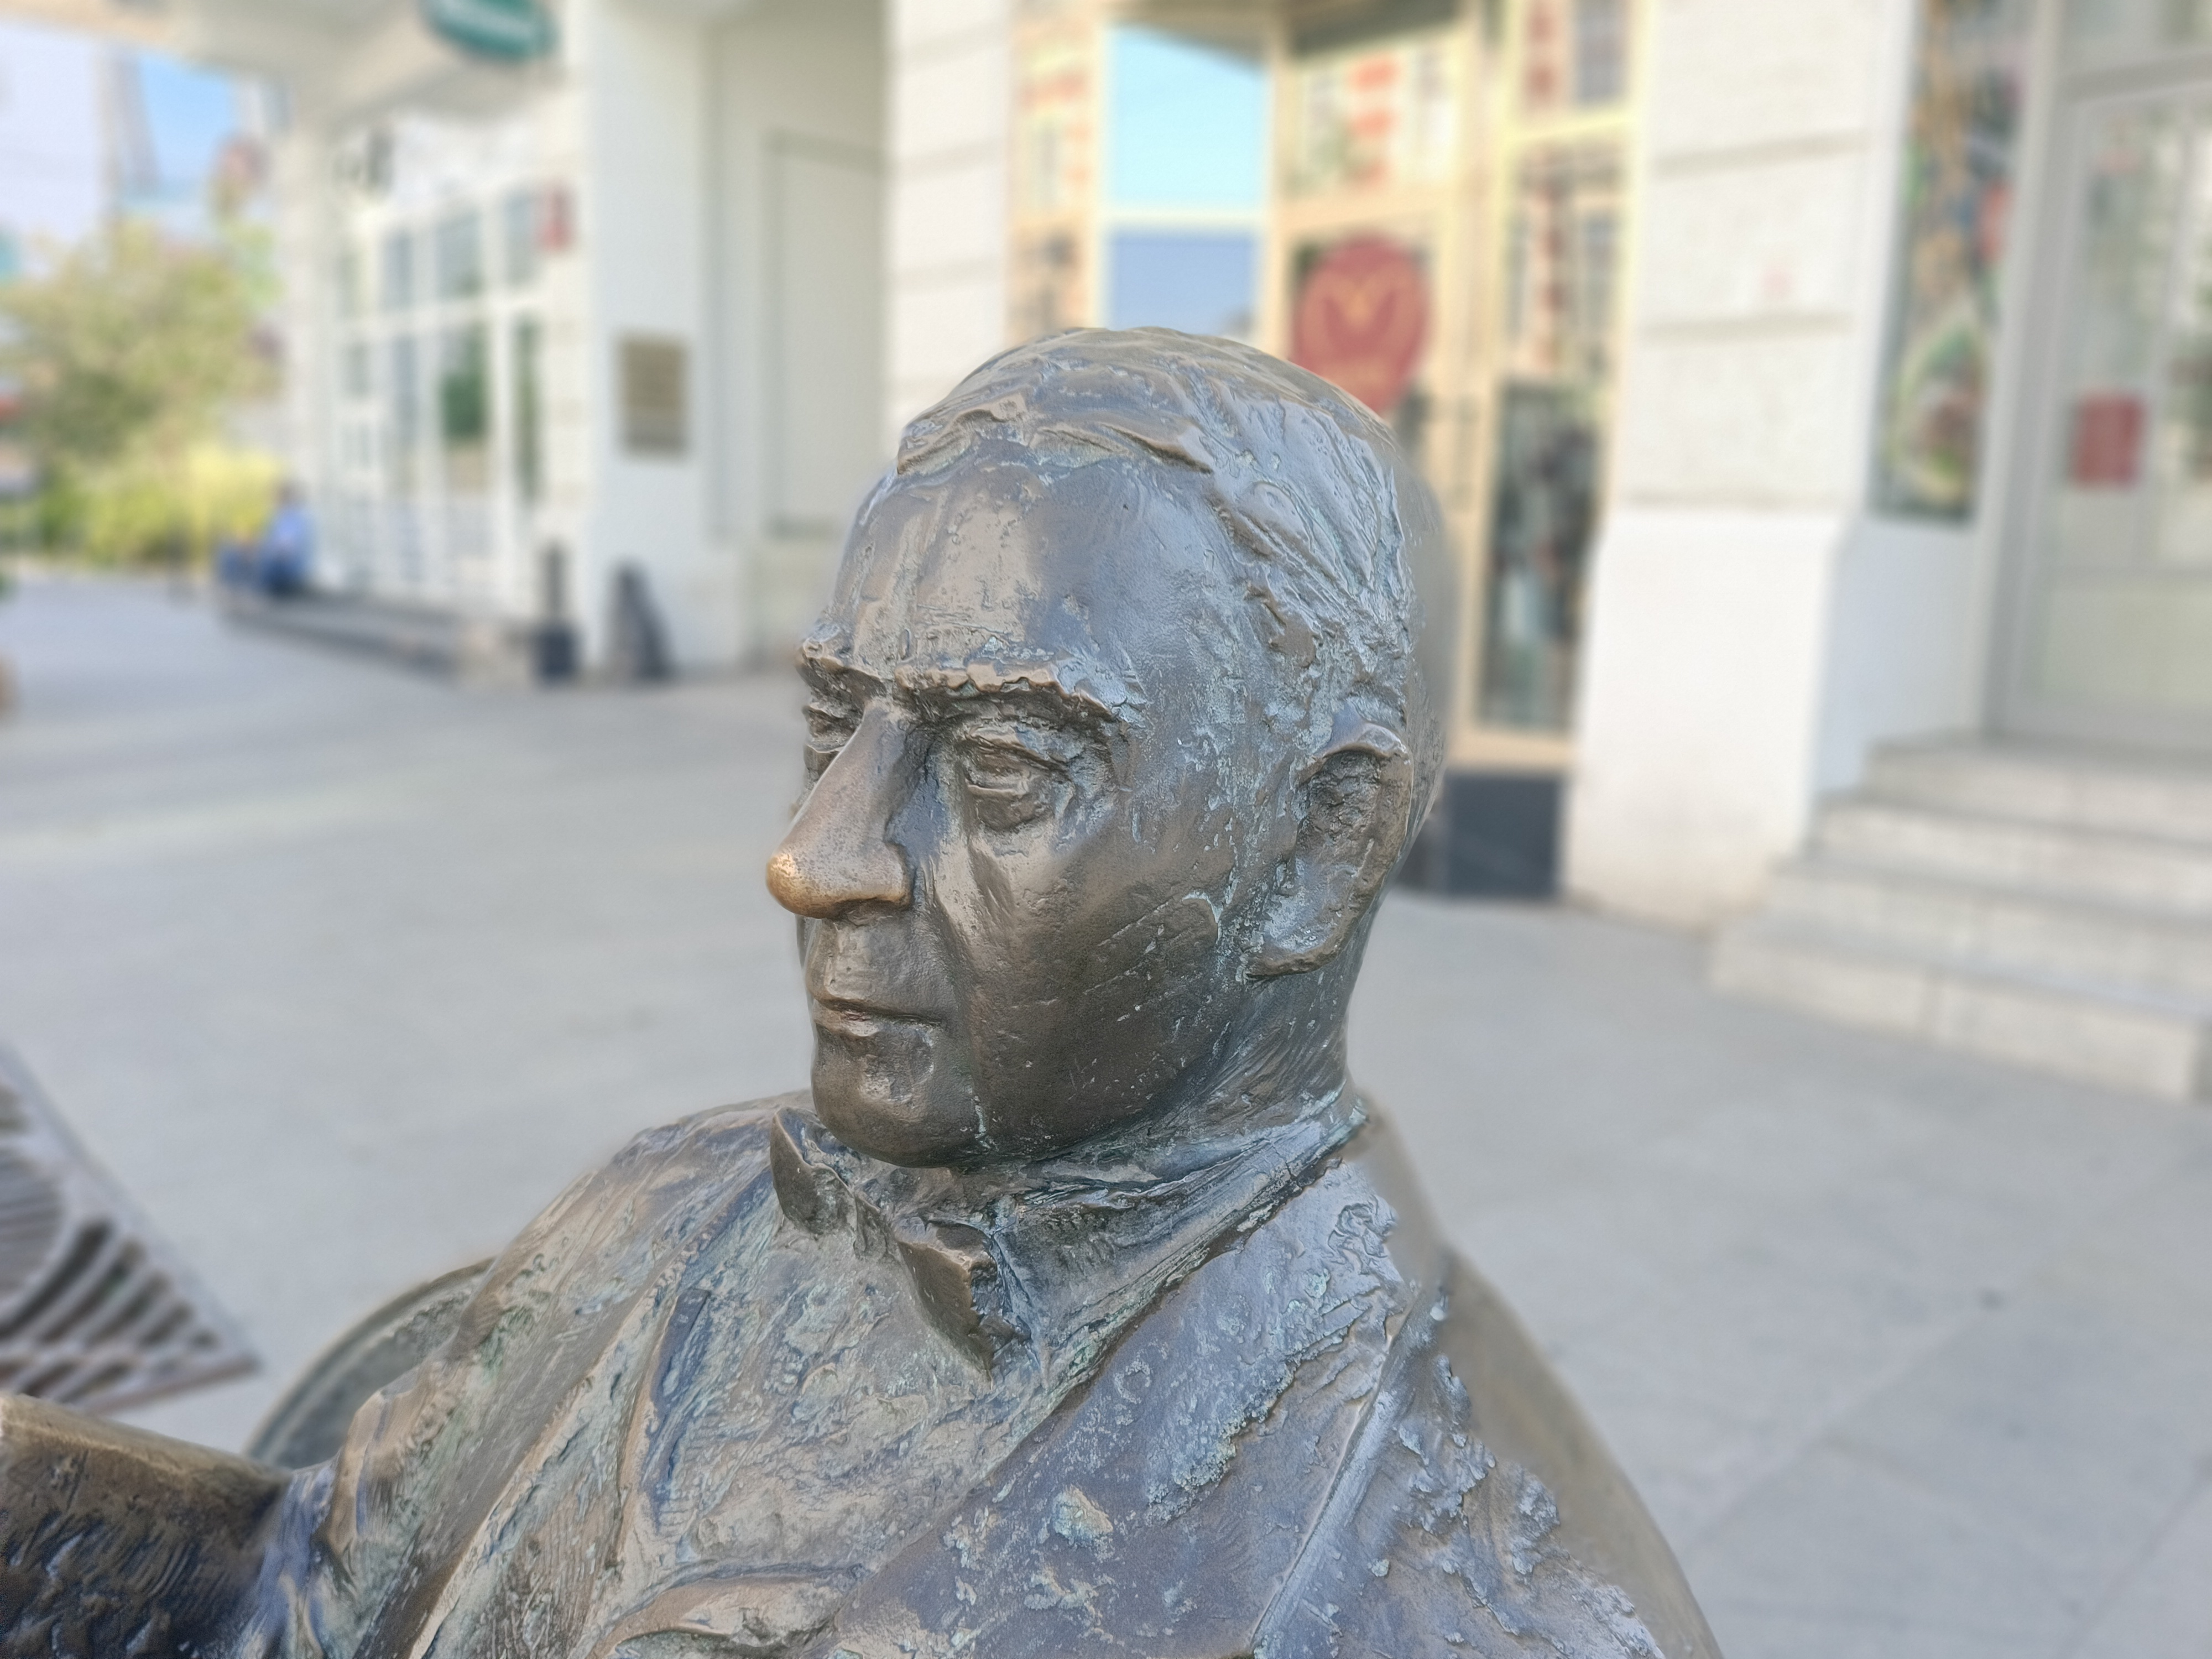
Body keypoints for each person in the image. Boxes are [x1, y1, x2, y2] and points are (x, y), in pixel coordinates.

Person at [0, 331, 1720, 1659]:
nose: (812, 857)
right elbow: (291, 1593)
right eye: (834, 728)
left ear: (1317, 848)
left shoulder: (1479, 1597)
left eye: (1003, 766)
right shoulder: (664, 1211)